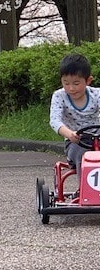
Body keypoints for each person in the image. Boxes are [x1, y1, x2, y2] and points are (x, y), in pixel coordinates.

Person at [50, 53, 100, 183]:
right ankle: (84, 190)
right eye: (66, 83)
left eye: (76, 83)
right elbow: (55, 120)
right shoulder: (59, 96)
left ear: (88, 81)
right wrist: (69, 133)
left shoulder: (97, 95)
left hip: (97, 137)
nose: (71, 88)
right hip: (76, 141)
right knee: (82, 154)